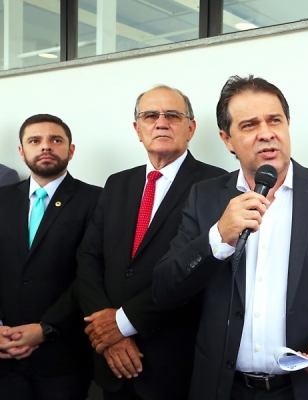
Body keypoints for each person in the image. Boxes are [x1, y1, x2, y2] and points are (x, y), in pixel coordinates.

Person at [153, 75, 308, 400]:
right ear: (227, 139)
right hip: (225, 388)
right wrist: (218, 237)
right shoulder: (204, 198)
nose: (266, 133)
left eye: (274, 120)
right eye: (250, 125)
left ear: (287, 124)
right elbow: (166, 287)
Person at [76, 85, 227, 400]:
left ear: (191, 128)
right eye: (150, 116)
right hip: (111, 361)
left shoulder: (216, 185)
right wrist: (109, 332)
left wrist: (123, 324)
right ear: (137, 129)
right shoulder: (117, 183)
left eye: (172, 115)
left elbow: (201, 272)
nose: (161, 122)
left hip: (174, 363)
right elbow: (89, 258)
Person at [0, 114, 101, 399]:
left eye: (56, 140)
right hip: (4, 357)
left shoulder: (97, 200)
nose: (45, 147)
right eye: (35, 141)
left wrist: (46, 329)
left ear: (71, 150)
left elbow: (90, 275)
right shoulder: (2, 198)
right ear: (21, 151)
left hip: (63, 359)